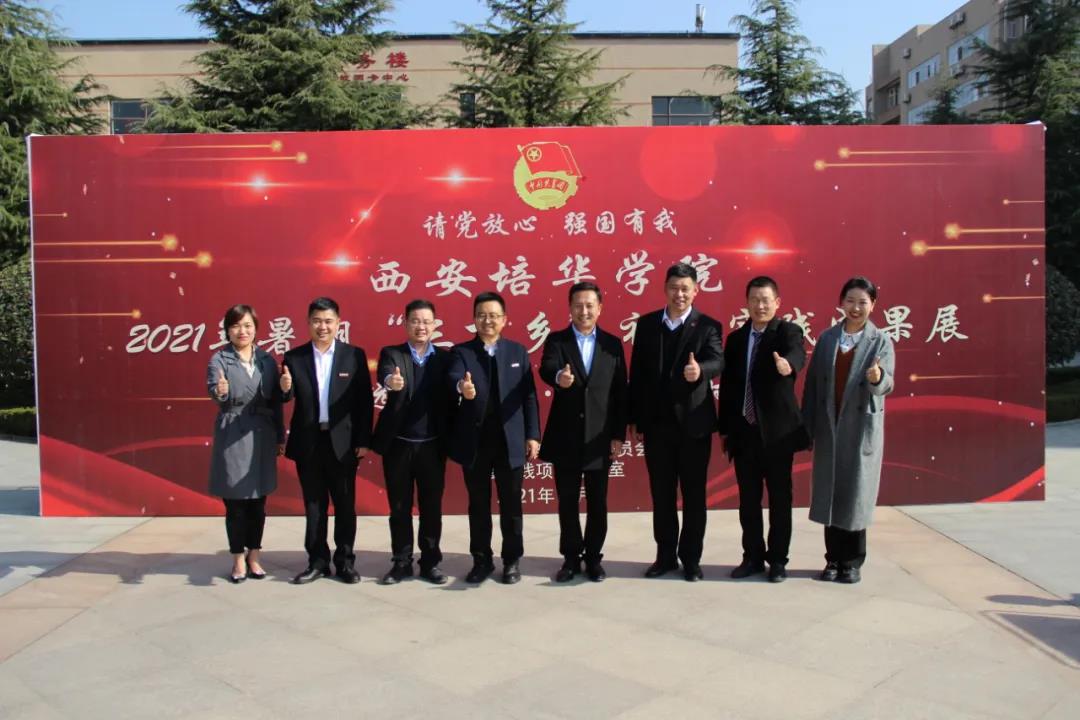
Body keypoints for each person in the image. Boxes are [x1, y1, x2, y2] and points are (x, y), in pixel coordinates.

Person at [627, 263, 724, 581]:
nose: (679, 294)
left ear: (695, 290)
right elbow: (637, 374)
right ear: (665, 289)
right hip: (657, 425)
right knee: (662, 494)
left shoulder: (708, 326)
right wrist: (634, 418)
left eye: (685, 288)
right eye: (674, 287)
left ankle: (691, 559)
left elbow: (717, 360)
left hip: (694, 426)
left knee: (694, 496)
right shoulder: (647, 324)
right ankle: (665, 555)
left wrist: (701, 371)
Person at [802, 276, 895, 584]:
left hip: (859, 429)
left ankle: (852, 562)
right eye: (851, 301)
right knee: (831, 495)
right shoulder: (828, 339)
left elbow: (887, 383)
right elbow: (813, 386)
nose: (856, 308)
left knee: (855, 496)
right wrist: (808, 426)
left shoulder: (880, 341)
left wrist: (877, 377)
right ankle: (832, 559)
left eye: (863, 302)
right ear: (841, 303)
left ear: (873, 305)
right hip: (830, 427)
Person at [717, 277, 808, 584]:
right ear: (747, 302)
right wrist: (726, 430)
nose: (760, 305)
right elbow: (728, 387)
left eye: (766, 299)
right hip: (744, 433)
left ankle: (778, 560)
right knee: (748, 501)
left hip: (777, 434)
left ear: (777, 302)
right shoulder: (736, 339)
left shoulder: (787, 332)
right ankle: (752, 557)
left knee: (780, 500)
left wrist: (789, 365)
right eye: (754, 299)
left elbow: (797, 353)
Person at [448, 291, 541, 585]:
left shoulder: (517, 352)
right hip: (475, 442)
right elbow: (453, 377)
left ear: (504, 320)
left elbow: (529, 396)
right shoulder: (462, 352)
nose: (487, 321)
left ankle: (511, 560)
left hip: (510, 441)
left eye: (493, 315)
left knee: (512, 505)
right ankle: (481, 560)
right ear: (474, 319)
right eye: (481, 315)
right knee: (478, 505)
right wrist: (462, 388)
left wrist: (532, 435)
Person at [280, 297, 374, 585]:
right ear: (308, 323)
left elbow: (364, 402)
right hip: (309, 442)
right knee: (314, 506)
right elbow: (285, 396)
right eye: (317, 321)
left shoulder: (353, 355)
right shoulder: (294, 358)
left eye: (328, 321)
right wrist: (284, 389)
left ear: (338, 323)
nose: (323, 326)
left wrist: (363, 439)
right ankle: (317, 562)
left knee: (345, 505)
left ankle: (345, 562)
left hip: (343, 444)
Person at [539, 281, 627, 583]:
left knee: (598, 502)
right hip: (566, 436)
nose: (584, 311)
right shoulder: (557, 340)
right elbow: (547, 367)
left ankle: (593, 558)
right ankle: (570, 558)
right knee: (567, 502)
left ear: (600, 308)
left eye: (590, 305)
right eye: (578, 305)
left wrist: (618, 435)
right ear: (570, 308)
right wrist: (558, 377)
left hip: (600, 438)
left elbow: (620, 392)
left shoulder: (612, 344)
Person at [372, 299, 455, 585]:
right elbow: (386, 374)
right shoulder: (393, 353)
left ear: (434, 325)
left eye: (426, 321)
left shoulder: (445, 358)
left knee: (432, 508)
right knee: (399, 507)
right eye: (415, 321)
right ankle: (401, 562)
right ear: (406, 323)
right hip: (398, 445)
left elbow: (454, 389)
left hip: (432, 445)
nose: (421, 326)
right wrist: (391, 383)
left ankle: (430, 562)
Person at [206, 304, 284, 583]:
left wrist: (280, 436)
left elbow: (275, 402)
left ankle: (255, 556)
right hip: (233, 434)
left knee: (258, 503)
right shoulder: (220, 359)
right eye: (236, 326)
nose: (243, 331)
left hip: (262, 435)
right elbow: (215, 390)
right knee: (236, 503)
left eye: (248, 325)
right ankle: (238, 558)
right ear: (228, 330)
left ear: (256, 329)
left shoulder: (266, 360)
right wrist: (220, 392)